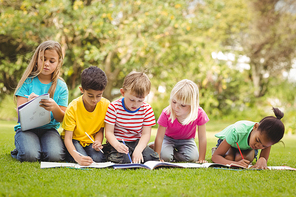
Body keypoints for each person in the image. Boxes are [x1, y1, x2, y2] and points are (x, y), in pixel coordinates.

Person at [11, 40, 68, 162]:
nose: (46, 64)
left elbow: (62, 118)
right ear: (37, 59)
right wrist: (30, 103)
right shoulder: (27, 81)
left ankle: (39, 148)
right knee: (30, 156)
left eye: (51, 61)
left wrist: (54, 107)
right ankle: (21, 149)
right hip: (27, 129)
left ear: (58, 63)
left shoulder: (61, 86)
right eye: (43, 59)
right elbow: (19, 112)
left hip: (49, 130)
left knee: (55, 156)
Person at [104, 71, 159, 163]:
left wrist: (138, 150)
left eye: (140, 100)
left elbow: (146, 134)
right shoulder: (114, 107)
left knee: (152, 158)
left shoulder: (147, 109)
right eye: (132, 99)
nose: (135, 104)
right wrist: (117, 145)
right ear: (122, 92)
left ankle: (133, 153)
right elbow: (109, 132)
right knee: (121, 159)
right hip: (119, 142)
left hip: (136, 143)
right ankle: (108, 151)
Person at [61, 66, 110, 166]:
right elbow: (68, 139)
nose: (94, 100)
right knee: (83, 160)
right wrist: (78, 158)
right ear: (81, 90)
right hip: (74, 140)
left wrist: (97, 142)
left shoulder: (106, 105)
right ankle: (68, 154)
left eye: (99, 95)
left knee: (99, 159)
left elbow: (100, 130)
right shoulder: (73, 107)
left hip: (89, 142)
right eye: (90, 95)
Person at [151, 79, 209, 163]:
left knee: (192, 158)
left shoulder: (199, 113)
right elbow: (159, 137)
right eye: (174, 102)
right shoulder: (166, 113)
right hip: (168, 139)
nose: (176, 107)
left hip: (187, 140)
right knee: (165, 157)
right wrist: (158, 156)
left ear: (192, 105)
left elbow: (202, 138)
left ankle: (169, 151)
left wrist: (201, 159)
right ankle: (162, 149)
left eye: (182, 105)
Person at [211, 107, 285, 169]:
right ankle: (218, 149)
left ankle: (236, 156)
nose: (258, 146)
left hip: (245, 147)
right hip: (230, 142)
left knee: (243, 159)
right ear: (255, 127)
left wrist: (262, 160)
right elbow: (215, 157)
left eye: (264, 146)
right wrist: (233, 163)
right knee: (228, 158)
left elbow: (263, 159)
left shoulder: (267, 139)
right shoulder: (237, 131)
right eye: (257, 140)